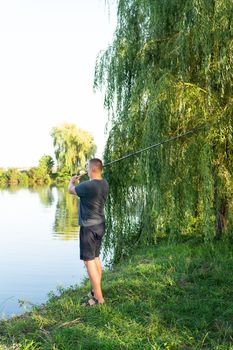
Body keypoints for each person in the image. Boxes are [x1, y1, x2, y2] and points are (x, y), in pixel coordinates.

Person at [68, 158, 109, 306]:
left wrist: (72, 181)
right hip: (100, 225)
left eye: (87, 167)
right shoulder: (104, 183)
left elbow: (70, 190)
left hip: (89, 228)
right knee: (96, 257)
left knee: (89, 261)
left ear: (92, 170)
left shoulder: (88, 186)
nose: (85, 169)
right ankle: (94, 291)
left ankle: (99, 299)